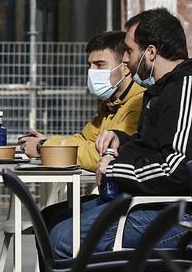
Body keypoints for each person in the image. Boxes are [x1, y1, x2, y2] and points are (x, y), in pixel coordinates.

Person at [49, 8, 192, 272]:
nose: (125, 59)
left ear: (151, 52)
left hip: (187, 217)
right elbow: (157, 147)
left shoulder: (190, 90)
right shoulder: (165, 91)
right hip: (157, 203)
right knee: (51, 222)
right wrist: (123, 142)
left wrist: (115, 169)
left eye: (129, 50)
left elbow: (176, 168)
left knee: (64, 240)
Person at [20, 31, 144, 172]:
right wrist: (48, 144)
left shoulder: (138, 104)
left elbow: (103, 156)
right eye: (90, 65)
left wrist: (43, 146)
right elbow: (84, 140)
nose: (91, 72)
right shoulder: (110, 105)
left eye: (100, 65)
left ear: (125, 68)